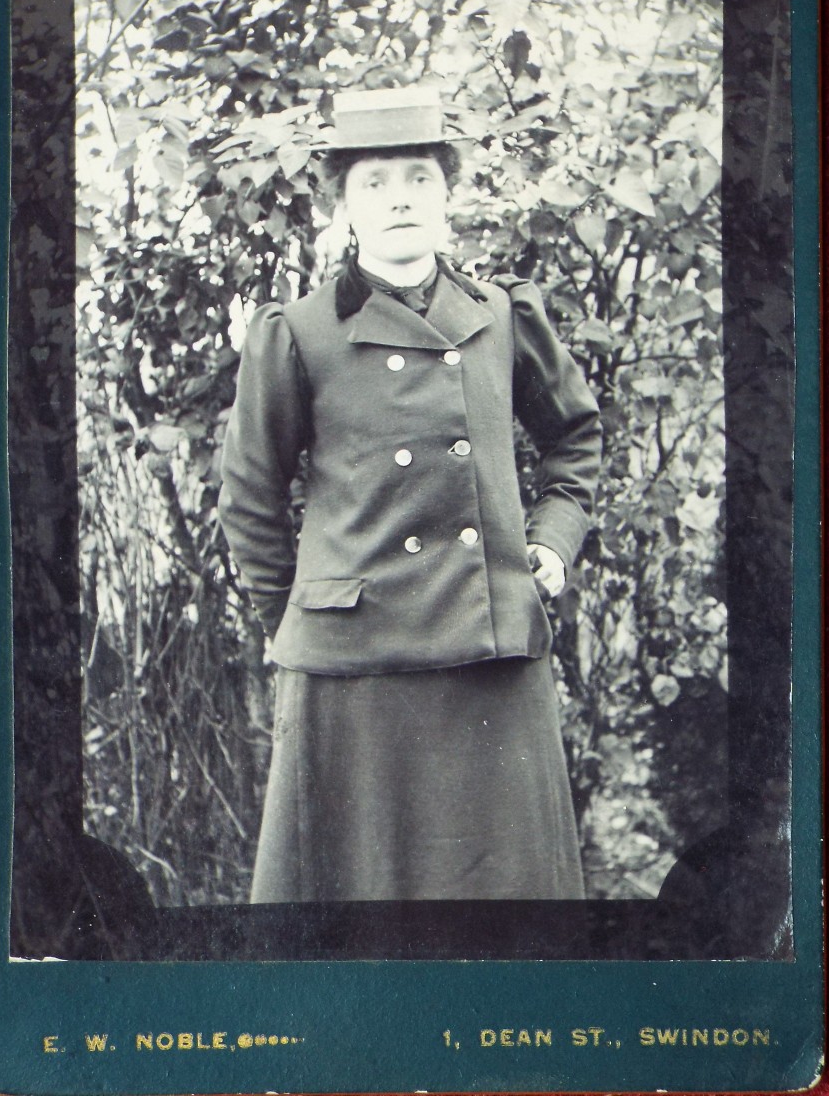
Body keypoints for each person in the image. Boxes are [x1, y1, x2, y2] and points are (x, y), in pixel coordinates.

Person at [218, 86, 602, 903]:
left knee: (508, 926)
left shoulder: (502, 317)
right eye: (376, 182)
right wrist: (296, 617)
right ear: (345, 206)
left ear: (448, 192)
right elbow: (250, 497)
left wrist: (554, 539)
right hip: (353, 673)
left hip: (491, 656)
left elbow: (576, 438)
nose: (400, 198)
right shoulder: (298, 332)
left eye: (420, 178)